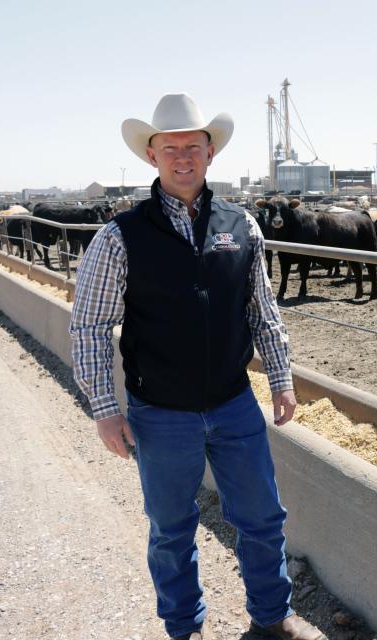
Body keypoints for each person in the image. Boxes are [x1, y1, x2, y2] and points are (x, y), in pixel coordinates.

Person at [69, 93, 327, 640]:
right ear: (152, 157)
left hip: (234, 403)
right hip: (161, 412)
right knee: (171, 528)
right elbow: (90, 325)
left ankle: (272, 619)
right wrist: (104, 409)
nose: (183, 157)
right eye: (170, 148)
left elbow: (262, 309)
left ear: (211, 154)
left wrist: (280, 379)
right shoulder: (120, 237)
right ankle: (185, 628)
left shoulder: (243, 226)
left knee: (262, 517)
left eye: (193, 146)